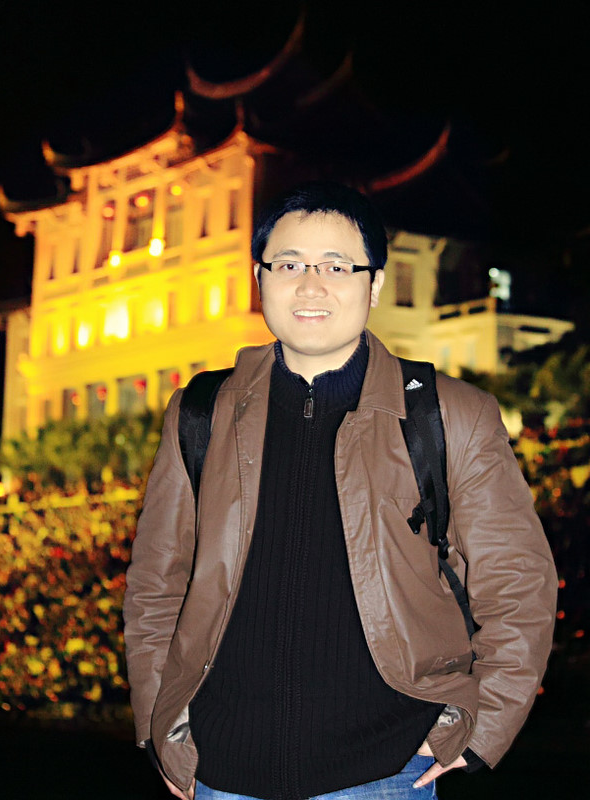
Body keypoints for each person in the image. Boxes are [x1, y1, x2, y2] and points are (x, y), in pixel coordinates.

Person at [123, 182, 557, 800]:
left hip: (385, 770)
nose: (310, 286)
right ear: (259, 277)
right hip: (221, 770)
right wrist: (158, 723)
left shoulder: (449, 415)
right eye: (289, 265)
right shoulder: (201, 411)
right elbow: (155, 582)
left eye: (336, 267)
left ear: (373, 284)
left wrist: (483, 728)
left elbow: (517, 580)